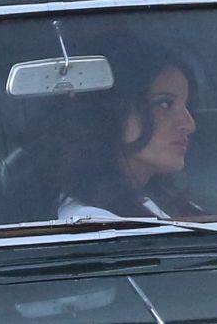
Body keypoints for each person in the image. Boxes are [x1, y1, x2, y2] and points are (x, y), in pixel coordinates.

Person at [54, 38, 202, 220]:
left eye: (186, 105)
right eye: (164, 104)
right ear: (111, 111)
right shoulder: (93, 223)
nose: (189, 124)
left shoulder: (165, 201)